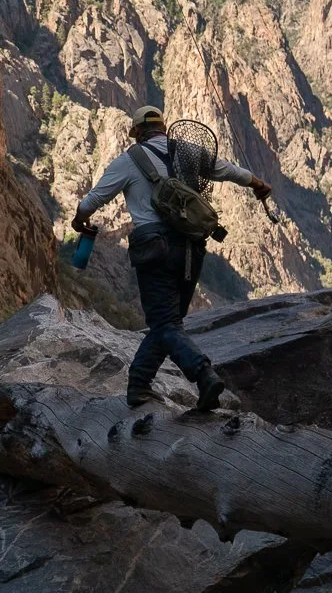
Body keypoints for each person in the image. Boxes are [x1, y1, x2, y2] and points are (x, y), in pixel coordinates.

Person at [72, 106, 272, 410]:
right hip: (192, 250)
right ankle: (139, 387)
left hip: (154, 249)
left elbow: (93, 200)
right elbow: (226, 169)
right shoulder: (188, 152)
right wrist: (257, 183)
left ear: (137, 132)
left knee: (165, 324)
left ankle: (203, 375)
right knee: (168, 324)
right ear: (164, 129)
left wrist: (79, 220)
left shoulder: (129, 160)